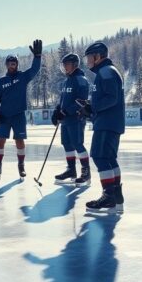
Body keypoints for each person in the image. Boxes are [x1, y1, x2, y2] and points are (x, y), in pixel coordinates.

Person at [76, 42, 125, 214]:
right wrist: (90, 106)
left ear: (98, 56)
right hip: (109, 122)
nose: (88, 61)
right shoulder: (106, 72)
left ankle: (109, 196)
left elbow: (112, 98)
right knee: (109, 158)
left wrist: (93, 108)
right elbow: (107, 98)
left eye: (90, 57)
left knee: (99, 156)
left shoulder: (106, 72)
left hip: (107, 123)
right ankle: (116, 196)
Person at [0, 39, 43, 181]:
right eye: (10, 63)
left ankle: (21, 166)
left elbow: (35, 70)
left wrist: (37, 57)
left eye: (14, 63)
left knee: (19, 141)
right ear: (6, 65)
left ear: (17, 65)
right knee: (0, 141)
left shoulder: (23, 77)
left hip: (18, 116)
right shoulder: (1, 81)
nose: (12, 65)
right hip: (4, 117)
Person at [52, 53, 91, 186]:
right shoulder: (66, 81)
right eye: (63, 65)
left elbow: (82, 101)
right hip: (66, 120)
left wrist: (66, 111)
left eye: (66, 64)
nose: (64, 67)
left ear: (74, 64)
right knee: (67, 144)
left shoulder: (81, 79)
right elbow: (63, 100)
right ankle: (71, 170)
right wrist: (57, 111)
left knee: (78, 144)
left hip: (76, 118)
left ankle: (86, 172)